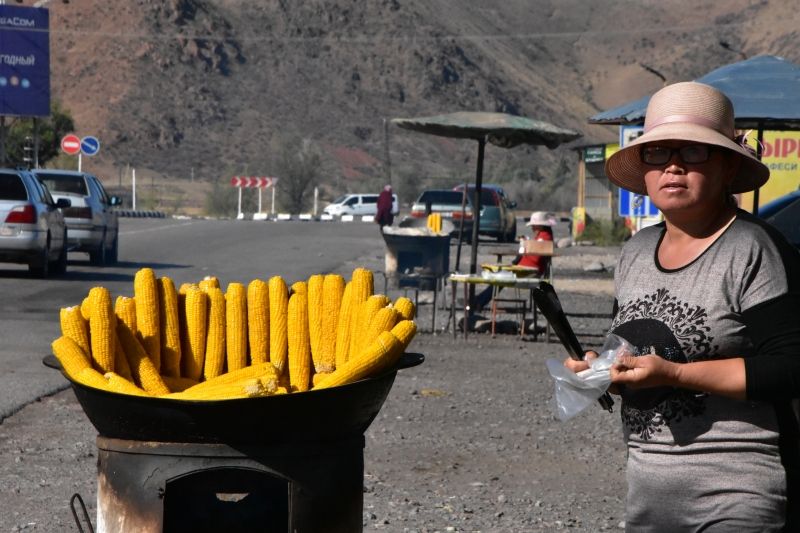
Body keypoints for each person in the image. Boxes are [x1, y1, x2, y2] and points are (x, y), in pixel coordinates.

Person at [563, 81, 800, 532]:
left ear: (728, 166)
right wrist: (604, 370)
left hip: (739, 498)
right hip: (650, 498)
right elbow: (637, 349)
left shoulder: (753, 249)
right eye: (659, 152)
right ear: (645, 169)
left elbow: (791, 367)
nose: (673, 166)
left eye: (694, 151)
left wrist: (674, 374)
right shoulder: (635, 251)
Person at [474, 211, 556, 313]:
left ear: (540, 225)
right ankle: (479, 301)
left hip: (529, 272)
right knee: (499, 276)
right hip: (525, 270)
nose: (532, 227)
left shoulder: (544, 238)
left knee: (499, 278)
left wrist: (525, 246)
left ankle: (479, 301)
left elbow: (536, 257)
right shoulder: (542, 236)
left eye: (534, 225)